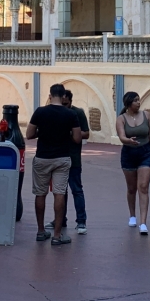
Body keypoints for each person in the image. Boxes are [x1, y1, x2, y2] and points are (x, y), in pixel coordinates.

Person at [25, 83, 81, 246]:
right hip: (62, 158)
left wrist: (41, 133)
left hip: (42, 157)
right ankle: (57, 235)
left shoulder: (40, 112)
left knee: (40, 194)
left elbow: (29, 134)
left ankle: (41, 231)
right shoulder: (70, 114)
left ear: (50, 96)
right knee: (59, 193)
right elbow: (77, 138)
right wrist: (66, 134)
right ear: (64, 97)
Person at [115, 91, 150, 235]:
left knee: (143, 186)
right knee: (131, 188)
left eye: (139, 100)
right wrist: (128, 140)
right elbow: (121, 136)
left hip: (146, 153)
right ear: (128, 104)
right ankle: (132, 215)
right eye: (135, 100)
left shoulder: (147, 116)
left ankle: (143, 223)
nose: (138, 103)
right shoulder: (121, 119)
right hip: (128, 154)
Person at [57, 90, 89, 234]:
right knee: (60, 192)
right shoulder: (56, 112)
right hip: (58, 157)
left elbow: (86, 133)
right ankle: (60, 219)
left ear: (71, 101)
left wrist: (69, 133)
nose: (64, 107)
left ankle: (81, 221)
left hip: (73, 158)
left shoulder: (78, 113)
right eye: (61, 103)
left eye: (66, 104)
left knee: (76, 190)